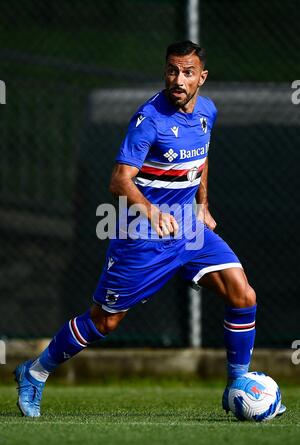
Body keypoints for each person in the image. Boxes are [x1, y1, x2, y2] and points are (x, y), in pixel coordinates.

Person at [15, 40, 285, 418]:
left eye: (187, 72)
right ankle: (36, 371)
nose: (178, 79)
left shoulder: (208, 110)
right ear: (165, 72)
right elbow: (119, 181)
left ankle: (235, 386)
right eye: (172, 70)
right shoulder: (150, 120)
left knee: (242, 294)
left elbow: (202, 157)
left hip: (189, 230)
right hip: (142, 237)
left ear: (201, 78)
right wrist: (152, 212)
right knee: (105, 320)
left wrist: (202, 204)